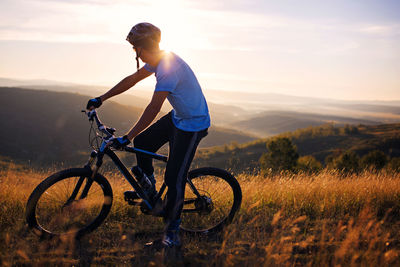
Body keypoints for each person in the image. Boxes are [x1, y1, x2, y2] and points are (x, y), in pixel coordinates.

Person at [86, 22, 210, 248]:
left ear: (144, 46)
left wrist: (128, 136)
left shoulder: (168, 67)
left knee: (174, 178)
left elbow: (153, 108)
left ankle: (172, 233)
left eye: (136, 48)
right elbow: (131, 80)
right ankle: (151, 190)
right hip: (178, 117)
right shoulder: (158, 60)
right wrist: (101, 98)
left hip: (193, 124)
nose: (135, 52)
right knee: (144, 142)